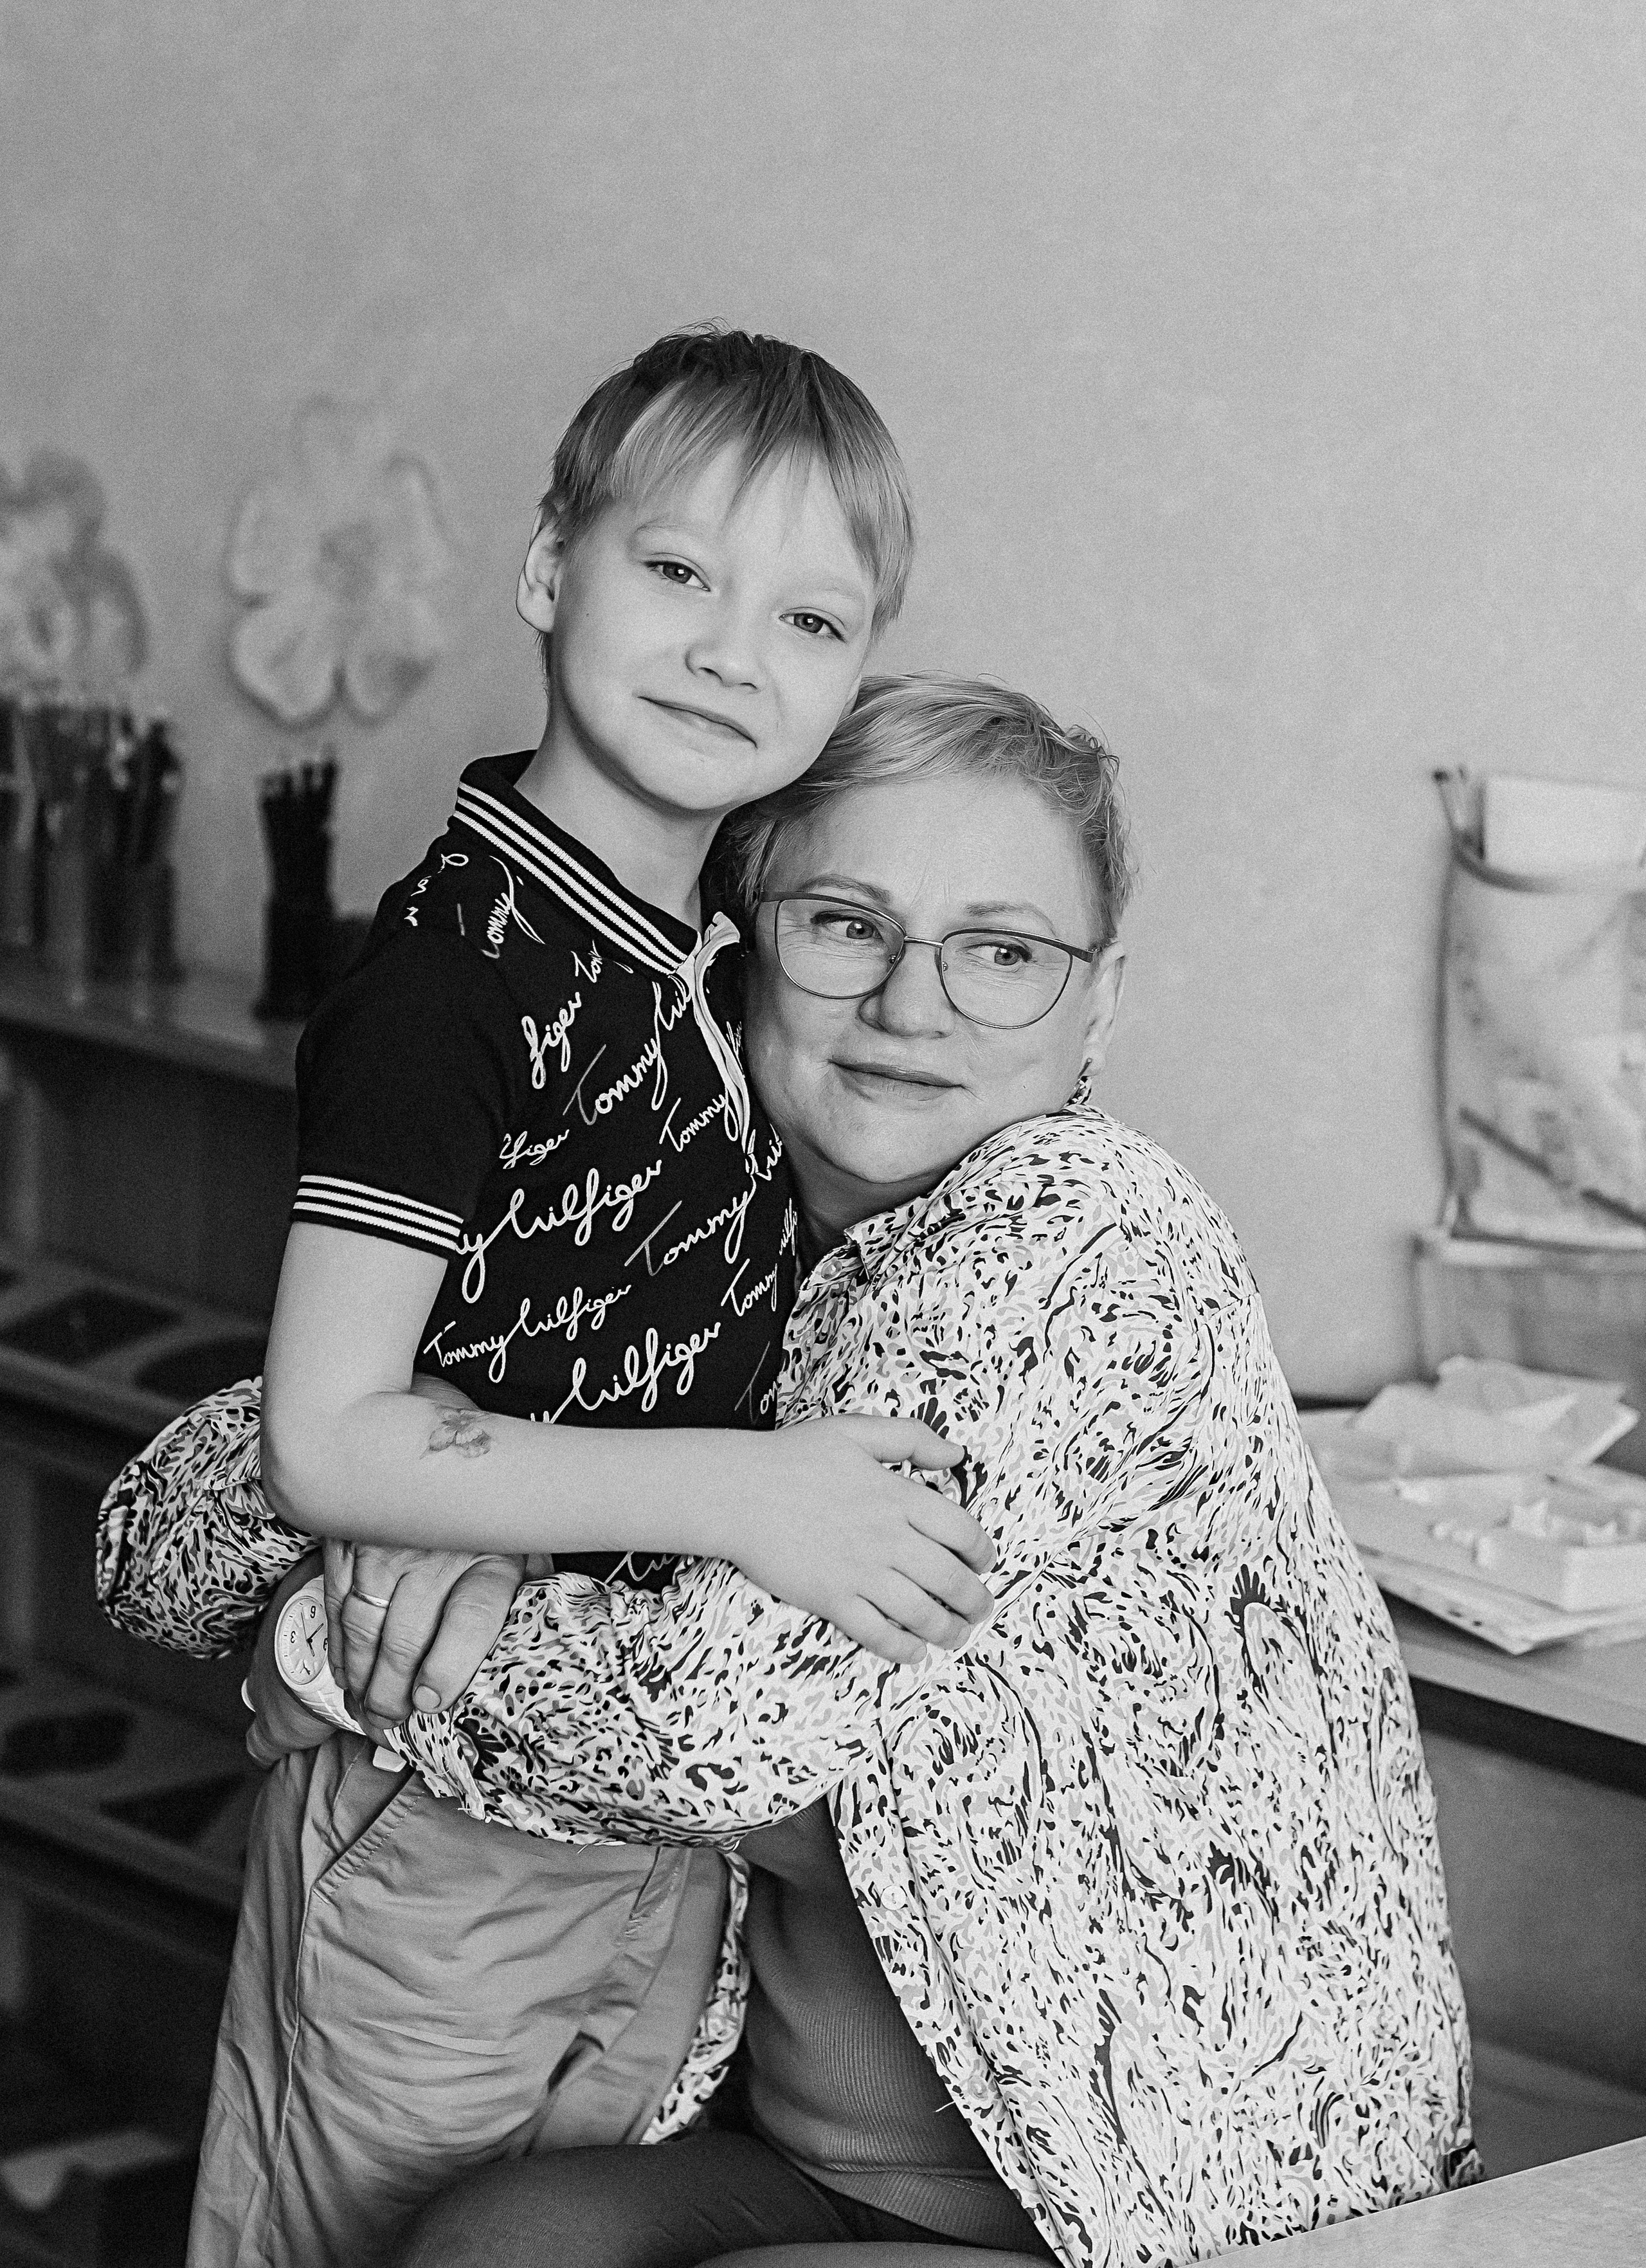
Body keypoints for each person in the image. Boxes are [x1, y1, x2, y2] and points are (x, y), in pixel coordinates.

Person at [101, 677, 1479, 2268]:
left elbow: (707, 1732)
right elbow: (150, 1546)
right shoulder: (699, 1220)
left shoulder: (1081, 1232)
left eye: (1002, 952)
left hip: (1158, 2205)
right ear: (736, 950)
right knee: (492, 2244)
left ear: (1097, 1005)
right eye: (844, 925)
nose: (912, 1004)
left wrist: (327, 1630)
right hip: (814, 2156)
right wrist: (397, 1435)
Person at [96, 349, 997, 2268]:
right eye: (677, 573)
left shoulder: (713, 958)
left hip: (644, 1822)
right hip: (438, 1819)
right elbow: (324, 1437)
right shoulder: (453, 977)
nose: (732, 654)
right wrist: (751, 1495)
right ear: (544, 572)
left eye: (810, 619)